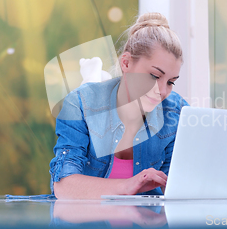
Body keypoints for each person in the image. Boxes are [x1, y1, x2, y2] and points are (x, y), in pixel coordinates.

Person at [49, 12, 189, 199]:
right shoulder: (80, 104)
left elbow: (178, 186)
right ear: (126, 63)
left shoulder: (176, 112)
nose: (162, 91)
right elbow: (64, 186)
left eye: (171, 82)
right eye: (154, 76)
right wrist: (129, 185)